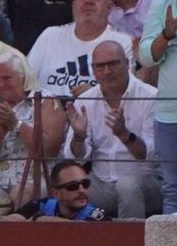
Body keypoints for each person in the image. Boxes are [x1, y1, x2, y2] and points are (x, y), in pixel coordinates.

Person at [67, 40, 158, 217]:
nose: (107, 71)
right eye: (100, 66)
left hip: (146, 183)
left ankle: (130, 235)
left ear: (127, 63)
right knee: (68, 189)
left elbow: (152, 157)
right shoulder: (85, 100)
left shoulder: (151, 97)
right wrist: (79, 137)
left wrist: (124, 135)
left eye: (113, 64)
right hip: (102, 183)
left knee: (127, 186)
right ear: (93, 70)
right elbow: (75, 158)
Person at [0, 56, 65, 215]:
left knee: (21, 194)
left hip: (38, 179)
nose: (1, 84)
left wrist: (16, 125)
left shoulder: (45, 101)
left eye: (6, 78)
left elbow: (49, 150)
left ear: (23, 77)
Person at [27, 0, 133, 96]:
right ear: (74, 6)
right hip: (46, 105)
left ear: (109, 8)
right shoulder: (50, 35)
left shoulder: (122, 42)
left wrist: (96, 94)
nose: (89, 0)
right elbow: (26, 81)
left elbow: (125, 90)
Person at [139, 0, 177, 214]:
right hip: (170, 114)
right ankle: (170, 239)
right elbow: (145, 56)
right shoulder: (163, 2)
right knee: (172, 188)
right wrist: (166, 35)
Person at [6, 159, 112, 219]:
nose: (81, 190)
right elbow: (11, 221)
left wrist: (42, 220)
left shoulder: (97, 216)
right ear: (56, 193)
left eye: (85, 184)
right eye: (73, 186)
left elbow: (82, 229)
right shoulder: (43, 205)